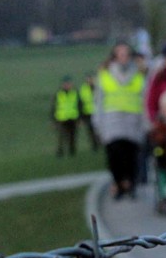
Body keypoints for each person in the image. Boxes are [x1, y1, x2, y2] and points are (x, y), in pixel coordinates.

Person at [93, 42, 146, 200]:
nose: (123, 58)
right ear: (114, 57)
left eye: (126, 54)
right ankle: (118, 182)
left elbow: (144, 97)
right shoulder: (104, 74)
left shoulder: (139, 74)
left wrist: (146, 122)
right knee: (114, 154)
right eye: (120, 54)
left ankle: (129, 183)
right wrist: (97, 122)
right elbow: (98, 100)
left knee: (131, 156)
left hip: (133, 119)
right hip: (112, 119)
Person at [52, 75, 81, 157]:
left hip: (73, 118)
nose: (67, 85)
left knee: (72, 136)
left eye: (68, 83)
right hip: (62, 118)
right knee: (61, 136)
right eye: (65, 84)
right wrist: (54, 120)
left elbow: (79, 106)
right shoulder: (58, 94)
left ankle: (72, 151)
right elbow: (54, 107)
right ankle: (60, 151)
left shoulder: (75, 93)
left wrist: (79, 118)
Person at [78, 72, 100, 152]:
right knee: (90, 130)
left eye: (91, 78)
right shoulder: (83, 89)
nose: (90, 80)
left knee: (99, 129)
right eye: (88, 78)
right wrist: (81, 116)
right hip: (88, 113)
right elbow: (80, 103)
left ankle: (99, 142)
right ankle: (94, 145)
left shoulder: (99, 87)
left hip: (98, 112)